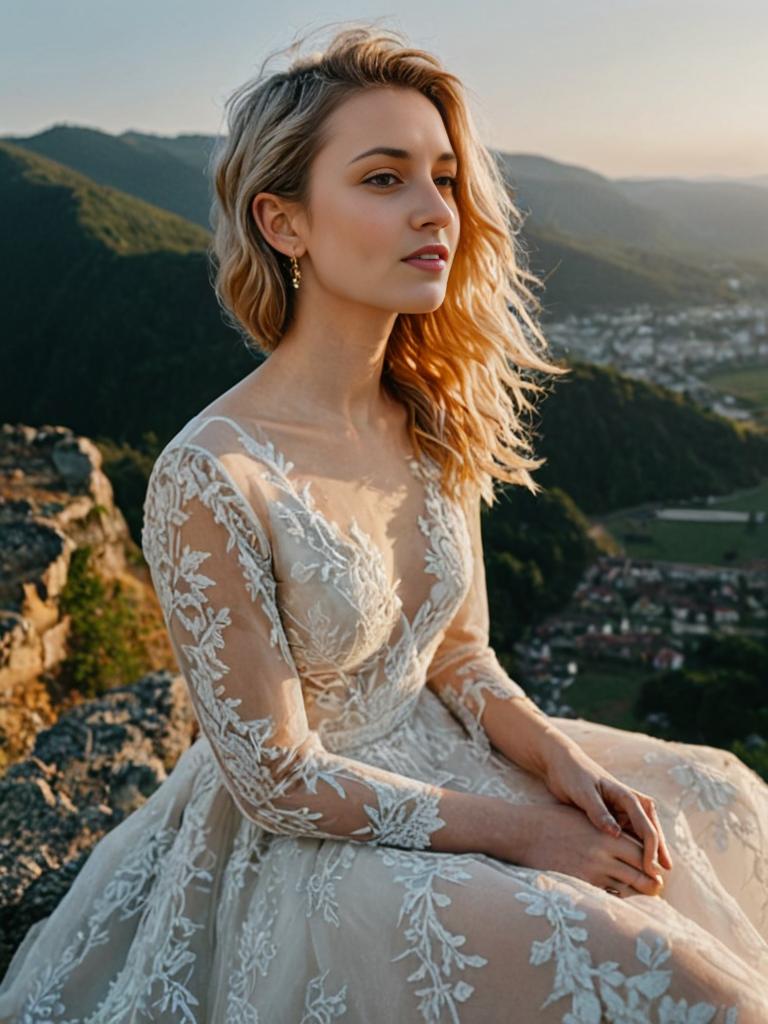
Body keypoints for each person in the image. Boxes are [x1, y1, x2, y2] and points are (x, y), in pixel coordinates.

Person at [2, 21, 767, 1023]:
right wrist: (525, 832)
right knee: (680, 981)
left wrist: (556, 758)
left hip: (459, 753)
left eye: (444, 178)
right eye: (382, 178)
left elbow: (460, 654)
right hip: (320, 839)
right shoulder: (211, 471)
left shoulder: (431, 412)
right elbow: (276, 778)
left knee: (717, 794)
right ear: (285, 224)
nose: (434, 211)